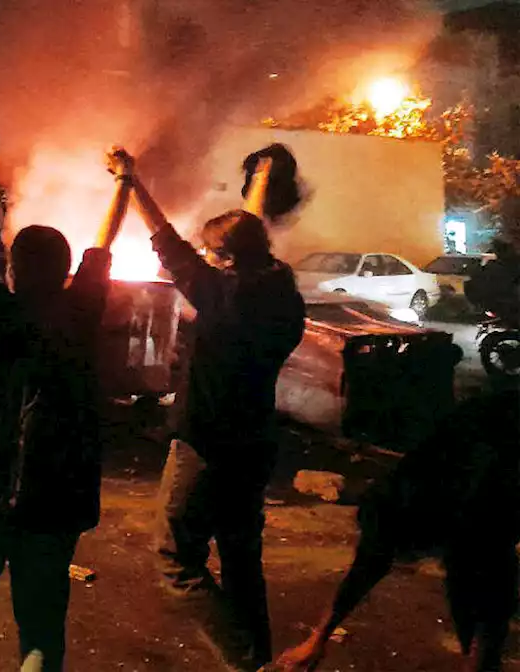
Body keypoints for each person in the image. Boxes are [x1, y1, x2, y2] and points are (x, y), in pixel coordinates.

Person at [0, 169, 133, 672]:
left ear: (13, 270)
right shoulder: (83, 308)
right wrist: (124, 184)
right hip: (57, 494)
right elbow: (103, 244)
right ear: (65, 270)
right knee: (40, 626)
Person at [107, 148, 306, 670]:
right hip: (256, 442)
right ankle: (258, 655)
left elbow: (166, 241)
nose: (205, 258)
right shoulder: (282, 290)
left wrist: (132, 181)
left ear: (229, 263)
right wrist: (260, 182)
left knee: (175, 557)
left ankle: (247, 662)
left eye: (212, 254)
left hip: (207, 443)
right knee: (242, 558)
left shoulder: (223, 298)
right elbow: (245, 236)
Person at [271, 382, 519, 672]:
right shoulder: (404, 498)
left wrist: (479, 657)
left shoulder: (461, 512)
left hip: (496, 469)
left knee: (482, 588)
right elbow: (365, 571)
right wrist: (317, 638)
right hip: (484, 459)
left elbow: (488, 586)